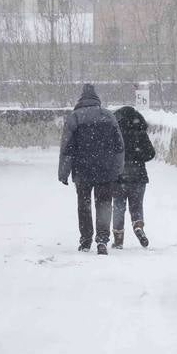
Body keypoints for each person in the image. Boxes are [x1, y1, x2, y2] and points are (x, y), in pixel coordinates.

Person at [58, 84, 124, 255]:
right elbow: (119, 147)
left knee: (84, 205)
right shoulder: (109, 116)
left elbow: (67, 148)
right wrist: (118, 169)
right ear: (97, 99)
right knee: (104, 204)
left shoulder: (74, 118)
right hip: (106, 170)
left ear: (81, 99)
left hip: (82, 171)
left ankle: (86, 240)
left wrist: (63, 172)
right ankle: (102, 240)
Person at [111, 105, 155, 249]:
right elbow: (151, 153)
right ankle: (138, 226)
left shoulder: (116, 133)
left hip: (119, 177)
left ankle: (118, 239)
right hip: (138, 176)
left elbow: (110, 154)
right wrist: (137, 157)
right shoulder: (140, 132)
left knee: (118, 207)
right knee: (136, 206)